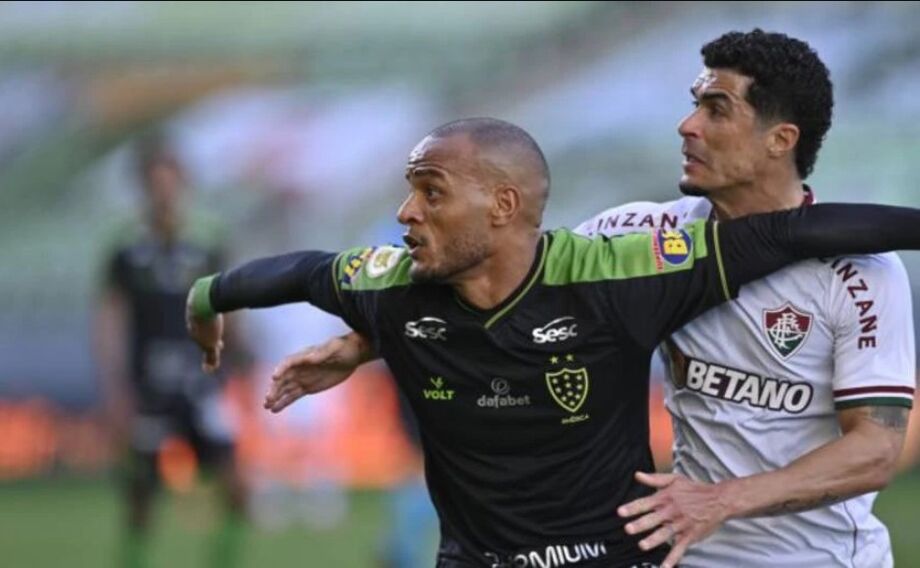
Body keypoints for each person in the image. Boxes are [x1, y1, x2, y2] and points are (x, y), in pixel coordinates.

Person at [272, 30, 916, 568]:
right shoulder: (637, 235)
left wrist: (723, 499)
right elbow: (517, 291)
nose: (687, 125)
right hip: (680, 552)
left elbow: (874, 452)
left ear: (781, 139)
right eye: (693, 104)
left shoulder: (863, 274)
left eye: (716, 110)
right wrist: (364, 344)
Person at [94, 135, 248, 568]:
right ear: (143, 186)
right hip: (149, 383)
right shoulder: (125, 246)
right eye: (155, 182)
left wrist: (236, 358)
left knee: (236, 485)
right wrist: (114, 383)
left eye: (170, 181)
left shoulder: (207, 238)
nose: (163, 191)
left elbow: (232, 301)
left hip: (203, 379)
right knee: (140, 492)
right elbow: (110, 315)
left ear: (182, 183)